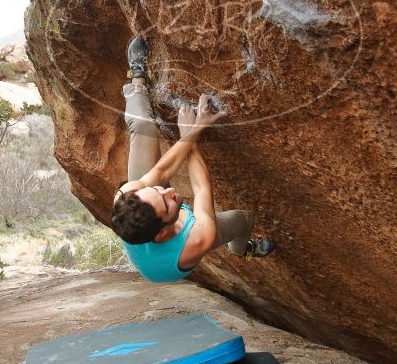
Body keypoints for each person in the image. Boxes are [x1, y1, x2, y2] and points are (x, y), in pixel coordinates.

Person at [111, 36, 275, 283]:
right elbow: (200, 188)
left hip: (148, 220)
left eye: (158, 191)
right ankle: (242, 249)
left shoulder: (128, 197)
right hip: (165, 267)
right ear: (163, 232)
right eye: (167, 205)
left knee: (142, 127)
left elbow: (162, 172)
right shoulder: (198, 239)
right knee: (244, 219)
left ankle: (137, 79)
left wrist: (192, 131)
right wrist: (190, 132)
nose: (170, 191)